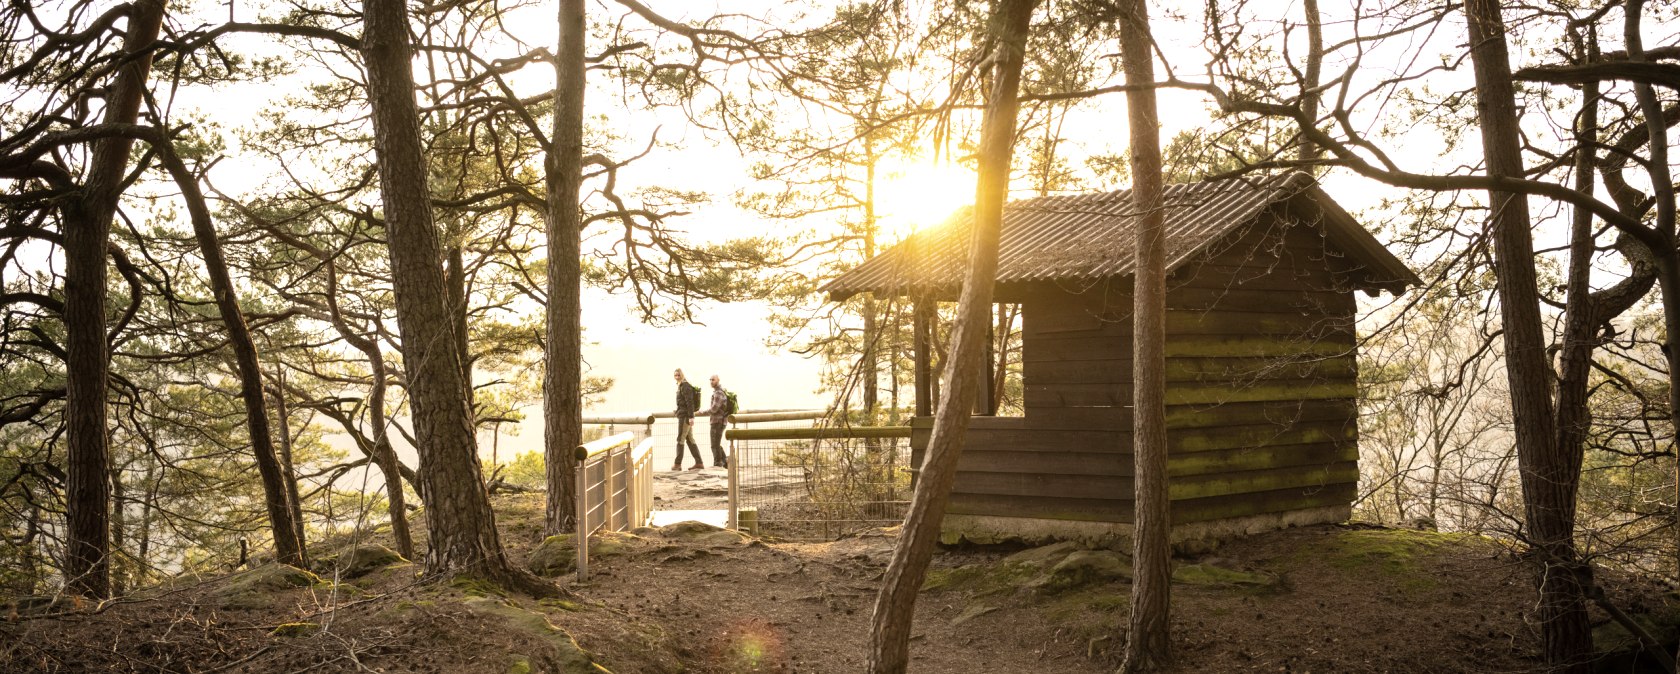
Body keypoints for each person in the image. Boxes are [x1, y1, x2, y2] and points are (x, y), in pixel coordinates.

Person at [672, 369, 703, 471]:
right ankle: (699, 462)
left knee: (680, 439)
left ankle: (677, 464)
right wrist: (677, 411)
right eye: (675, 375)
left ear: (682, 375)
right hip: (684, 415)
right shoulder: (681, 386)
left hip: (685, 417)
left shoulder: (685, 386)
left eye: (678, 375)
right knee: (690, 440)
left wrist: (691, 417)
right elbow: (683, 403)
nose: (677, 377)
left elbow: (690, 402)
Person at [705, 374, 730, 468]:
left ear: (718, 380)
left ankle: (717, 464)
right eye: (710, 380)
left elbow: (714, 409)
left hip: (717, 422)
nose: (711, 382)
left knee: (714, 445)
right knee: (717, 444)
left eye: (713, 380)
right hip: (720, 421)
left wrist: (701, 412)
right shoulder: (719, 391)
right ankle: (725, 463)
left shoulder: (718, 393)